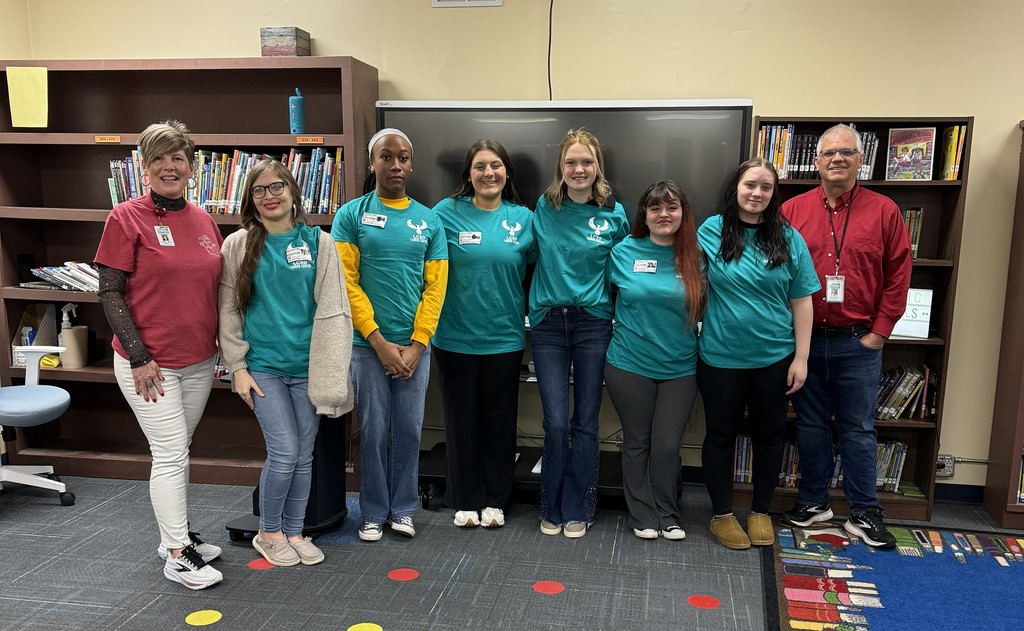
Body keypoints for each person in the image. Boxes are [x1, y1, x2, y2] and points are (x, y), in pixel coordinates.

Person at [94, 120, 224, 590]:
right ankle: (176, 554)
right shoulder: (125, 218)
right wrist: (139, 356)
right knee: (170, 455)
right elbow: (109, 293)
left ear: (191, 166)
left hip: (199, 361)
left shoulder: (204, 220)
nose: (170, 166)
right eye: (159, 158)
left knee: (177, 453)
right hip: (149, 364)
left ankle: (176, 533)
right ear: (143, 167)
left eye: (179, 158)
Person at [781, 124, 912, 549]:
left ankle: (864, 511)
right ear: (816, 161)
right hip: (803, 341)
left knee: (857, 428)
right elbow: (776, 274)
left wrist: (878, 333)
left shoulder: (885, 210)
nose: (837, 159)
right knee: (812, 426)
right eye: (829, 153)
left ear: (861, 160)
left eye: (847, 152)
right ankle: (814, 503)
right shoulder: (792, 211)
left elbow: (898, 275)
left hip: (857, 342)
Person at [218, 160, 353, 567]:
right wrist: (237, 368)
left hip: (308, 369)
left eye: (276, 187)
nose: (269, 196)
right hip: (262, 368)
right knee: (284, 450)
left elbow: (334, 310)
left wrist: (332, 374)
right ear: (250, 199)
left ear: (293, 192)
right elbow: (228, 311)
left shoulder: (319, 242)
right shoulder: (237, 245)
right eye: (259, 190)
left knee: (305, 453)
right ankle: (269, 531)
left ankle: (295, 531)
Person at [330, 128, 448, 542]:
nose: (395, 165)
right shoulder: (351, 216)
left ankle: (403, 509)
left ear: (411, 164)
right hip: (367, 347)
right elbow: (347, 284)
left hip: (416, 348)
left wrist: (418, 344)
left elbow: (435, 288)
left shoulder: (429, 219)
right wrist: (378, 342)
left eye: (402, 158)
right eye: (386, 157)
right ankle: (373, 512)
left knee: (410, 430)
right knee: (374, 431)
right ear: (372, 163)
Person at [696, 159, 819, 550]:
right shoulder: (710, 231)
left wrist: (801, 358)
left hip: (774, 357)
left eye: (765, 187)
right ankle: (722, 515)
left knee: (770, 435)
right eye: (750, 185)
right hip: (720, 357)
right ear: (736, 187)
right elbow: (687, 282)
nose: (757, 193)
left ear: (773, 194)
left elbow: (802, 301)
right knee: (720, 435)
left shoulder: (788, 237)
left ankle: (761, 511)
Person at [530, 129, 628, 538]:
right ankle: (549, 506)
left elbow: (625, 272)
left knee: (586, 421)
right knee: (555, 423)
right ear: (561, 167)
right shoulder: (544, 206)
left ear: (597, 166)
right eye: (571, 162)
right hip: (549, 324)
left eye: (586, 161)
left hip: (593, 324)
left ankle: (578, 508)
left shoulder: (614, 213)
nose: (579, 169)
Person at [432, 140, 535, 529]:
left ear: (507, 172)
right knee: (461, 421)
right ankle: (465, 498)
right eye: (479, 166)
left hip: (505, 339)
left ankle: (495, 500)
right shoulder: (445, 213)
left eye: (495, 166)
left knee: (499, 422)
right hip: (453, 338)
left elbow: (535, 271)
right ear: (468, 174)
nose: (488, 173)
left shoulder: (523, 218)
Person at [604, 180, 703, 541]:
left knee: (666, 445)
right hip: (629, 364)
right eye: (655, 208)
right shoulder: (623, 251)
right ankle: (642, 514)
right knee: (637, 442)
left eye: (672, 207)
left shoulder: (696, 255)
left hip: (681, 368)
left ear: (683, 213)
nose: (664, 214)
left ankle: (668, 514)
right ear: (644, 214)